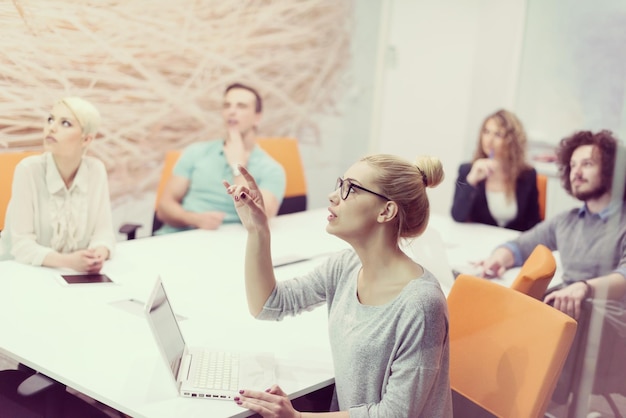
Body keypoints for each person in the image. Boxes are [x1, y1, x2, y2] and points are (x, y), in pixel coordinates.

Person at [224, 154, 452, 417]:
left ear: (386, 211)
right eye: (340, 184)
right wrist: (258, 231)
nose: (333, 196)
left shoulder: (421, 305)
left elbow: (395, 414)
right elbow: (269, 304)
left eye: (351, 189)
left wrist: (298, 417)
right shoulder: (346, 266)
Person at [478, 130, 626, 320]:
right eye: (572, 166)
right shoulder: (566, 221)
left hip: (611, 321)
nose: (577, 173)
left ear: (611, 170)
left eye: (587, 164)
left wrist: (584, 288)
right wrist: (499, 258)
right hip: (568, 311)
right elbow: (520, 246)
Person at [0, 97, 115, 273]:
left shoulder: (96, 171)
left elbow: (104, 233)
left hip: (68, 276)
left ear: (86, 140)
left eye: (66, 123)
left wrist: (98, 253)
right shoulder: (28, 170)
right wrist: (69, 262)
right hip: (18, 272)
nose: (51, 128)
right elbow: (21, 245)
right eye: (51, 119)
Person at [155, 83, 286, 234]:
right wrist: (195, 219)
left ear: (257, 117)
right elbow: (163, 208)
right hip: (177, 237)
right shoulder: (196, 152)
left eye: (241, 106)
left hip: (228, 242)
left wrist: (238, 166)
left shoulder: (272, 169)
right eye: (227, 105)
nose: (232, 111)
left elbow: (260, 219)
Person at [451, 109, 541, 231]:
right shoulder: (467, 170)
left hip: (512, 246)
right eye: (486, 132)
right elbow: (457, 216)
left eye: (498, 134)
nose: (489, 139)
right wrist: (472, 180)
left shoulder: (527, 175)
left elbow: (534, 224)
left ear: (512, 141)